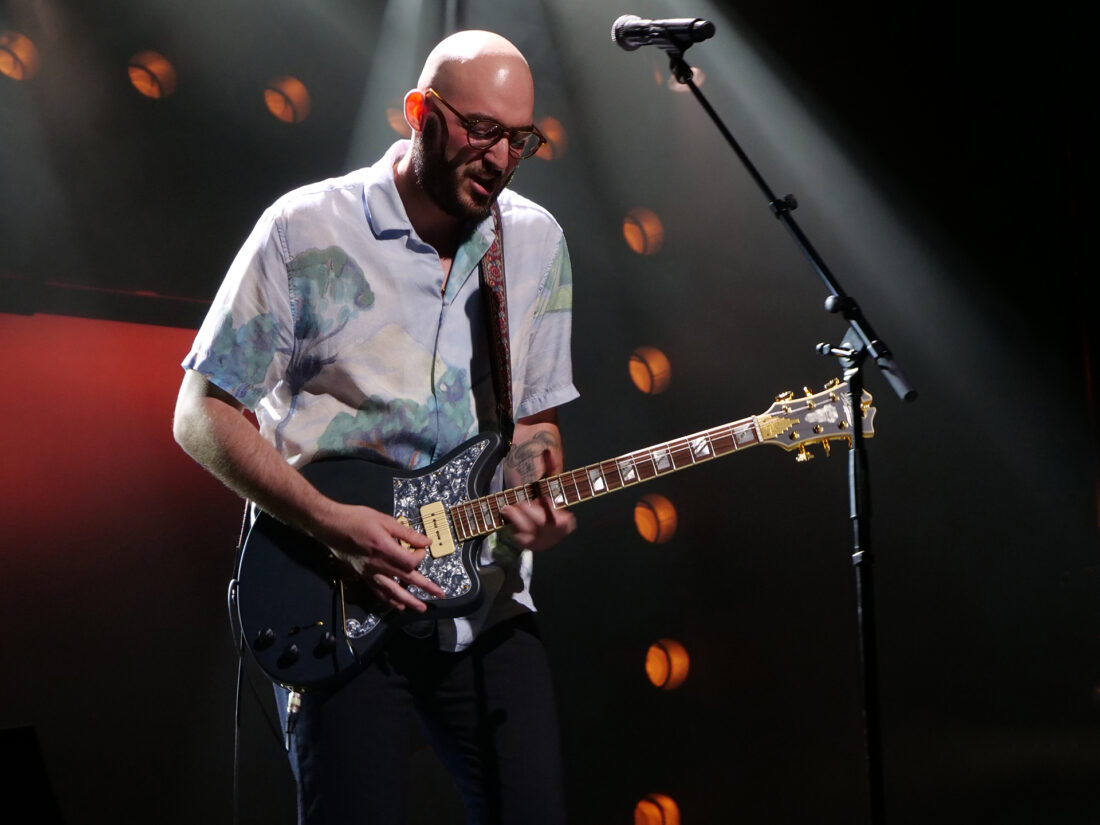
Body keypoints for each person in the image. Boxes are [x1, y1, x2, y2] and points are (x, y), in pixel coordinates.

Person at [173, 30, 577, 825]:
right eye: (481, 130)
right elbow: (201, 412)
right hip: (336, 594)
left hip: (484, 607)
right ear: (420, 113)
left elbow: (534, 419)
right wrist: (331, 523)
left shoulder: (534, 242)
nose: (499, 158)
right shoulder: (307, 228)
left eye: (518, 140)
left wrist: (536, 481)